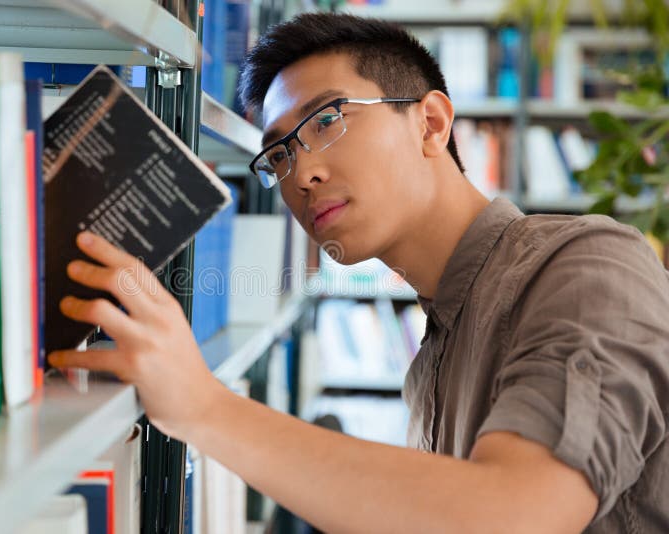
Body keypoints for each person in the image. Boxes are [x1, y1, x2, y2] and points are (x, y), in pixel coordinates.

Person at [48, 13, 669, 533]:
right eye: (280, 153)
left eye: (326, 120)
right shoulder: (437, 347)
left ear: (431, 123)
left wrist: (200, 405)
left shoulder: (589, 265)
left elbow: (514, 513)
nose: (301, 175)